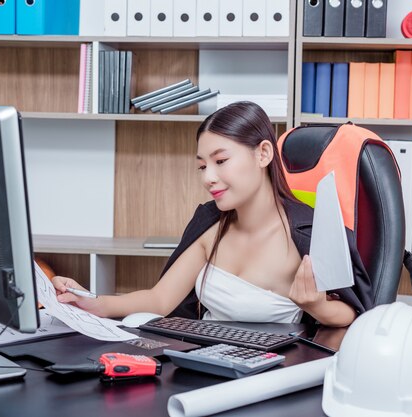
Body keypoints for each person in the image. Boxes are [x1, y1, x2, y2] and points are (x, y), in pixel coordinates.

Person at [52, 101, 373, 326]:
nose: (208, 177)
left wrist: (316, 306)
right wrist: (95, 302)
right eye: (202, 166)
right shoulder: (210, 222)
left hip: (273, 373)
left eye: (221, 161)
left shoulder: (308, 233)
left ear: (263, 153)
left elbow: (353, 313)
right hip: (201, 360)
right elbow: (160, 299)